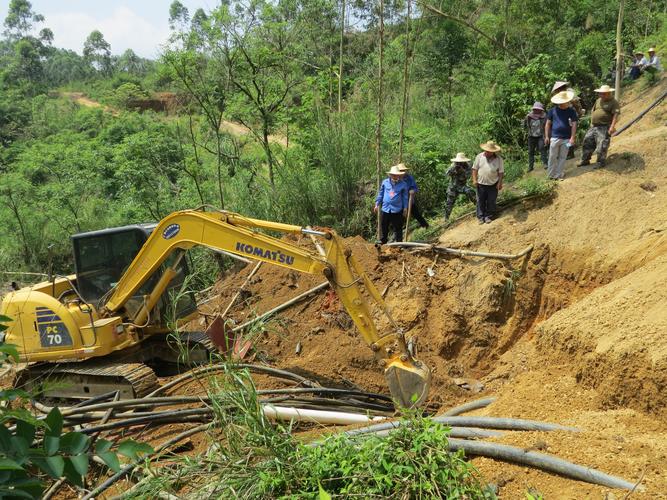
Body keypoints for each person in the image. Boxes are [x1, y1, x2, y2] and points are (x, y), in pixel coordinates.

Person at [578, 84, 620, 169]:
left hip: (604, 126)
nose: (601, 95)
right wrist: (591, 122)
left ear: (609, 93)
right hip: (594, 126)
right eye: (600, 93)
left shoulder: (614, 102)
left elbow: (615, 115)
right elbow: (593, 111)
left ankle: (600, 162)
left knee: (602, 145)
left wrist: (612, 127)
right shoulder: (598, 100)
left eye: (603, 93)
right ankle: (585, 160)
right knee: (587, 142)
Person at [545, 90, 578, 180]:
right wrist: (547, 136)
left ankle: (559, 174)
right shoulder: (552, 111)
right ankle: (551, 175)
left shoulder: (571, 111)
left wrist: (572, 137)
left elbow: (574, 124)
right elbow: (547, 124)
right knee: (552, 157)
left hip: (566, 139)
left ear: (567, 101)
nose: (562, 103)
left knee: (563, 157)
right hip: (554, 138)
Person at [374, 164, 409, 244]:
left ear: (399, 175)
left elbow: (405, 197)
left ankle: (399, 243)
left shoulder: (403, 184)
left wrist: (405, 208)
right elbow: (381, 194)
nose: (395, 176)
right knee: (384, 226)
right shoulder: (385, 182)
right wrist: (377, 204)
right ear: (390, 175)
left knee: (398, 228)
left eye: (396, 175)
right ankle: (383, 241)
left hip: (396, 210)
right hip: (386, 209)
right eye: (393, 175)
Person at [472, 141, 504, 224]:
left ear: (493, 152)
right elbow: (474, 169)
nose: (486, 152)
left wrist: (499, 183)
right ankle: (480, 217)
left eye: (488, 151)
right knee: (480, 201)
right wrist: (474, 180)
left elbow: (501, 172)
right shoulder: (479, 156)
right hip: (481, 184)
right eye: (486, 150)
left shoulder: (499, 159)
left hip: (493, 184)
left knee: (491, 201)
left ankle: (488, 216)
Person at [444, 152, 476, 220]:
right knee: (449, 203)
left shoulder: (468, 166)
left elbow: (468, 176)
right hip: (453, 187)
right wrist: (454, 170)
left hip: (462, 186)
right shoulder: (453, 165)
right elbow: (447, 173)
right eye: (458, 162)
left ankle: (479, 207)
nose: (459, 163)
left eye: (461, 162)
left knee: (470, 192)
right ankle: (446, 219)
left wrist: (462, 171)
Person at [397, 164, 429, 228]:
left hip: (409, 200)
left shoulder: (410, 178)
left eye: (403, 170)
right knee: (399, 218)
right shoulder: (396, 179)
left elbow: (415, 188)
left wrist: (412, 190)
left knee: (416, 214)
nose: (402, 172)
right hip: (399, 202)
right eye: (401, 170)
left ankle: (425, 226)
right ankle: (397, 235)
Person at [523, 102, 548, 171]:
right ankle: (530, 167)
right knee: (531, 151)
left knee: (542, 149)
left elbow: (547, 126)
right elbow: (524, 125)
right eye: (535, 109)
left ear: (541, 110)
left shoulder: (544, 116)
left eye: (538, 109)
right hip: (531, 136)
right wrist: (527, 132)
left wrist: (546, 136)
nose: (536, 110)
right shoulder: (529, 116)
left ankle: (545, 163)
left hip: (540, 136)